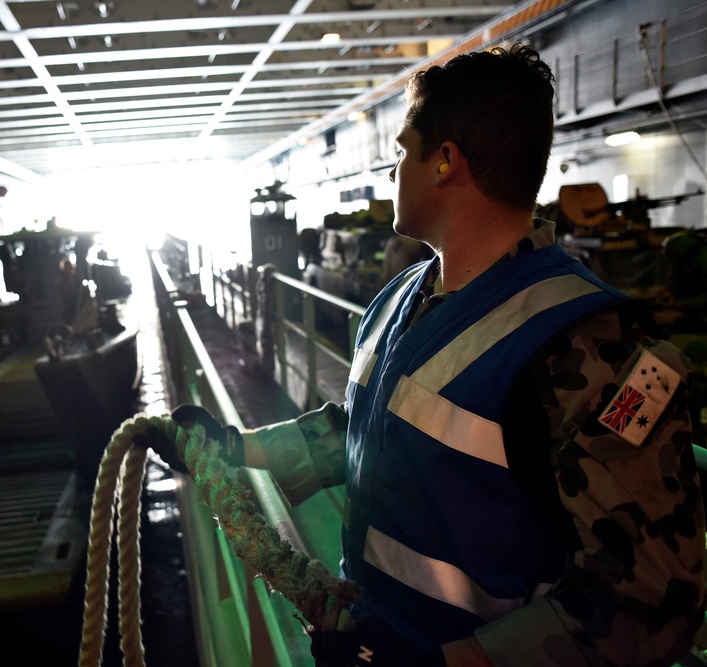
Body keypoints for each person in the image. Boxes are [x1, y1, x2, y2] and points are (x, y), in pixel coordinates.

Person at [174, 45, 705, 666]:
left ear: (445, 163)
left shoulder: (587, 348)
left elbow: (643, 602)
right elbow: (368, 428)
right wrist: (236, 449)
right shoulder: (403, 297)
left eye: (403, 150)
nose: (394, 170)